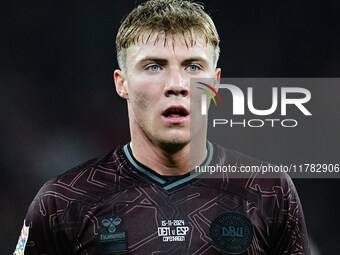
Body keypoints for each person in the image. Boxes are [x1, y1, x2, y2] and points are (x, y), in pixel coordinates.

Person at [14, 0, 310, 254]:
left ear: (215, 83)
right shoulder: (63, 200)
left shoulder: (269, 190)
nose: (177, 85)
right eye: (154, 66)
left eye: (193, 66)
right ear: (122, 83)